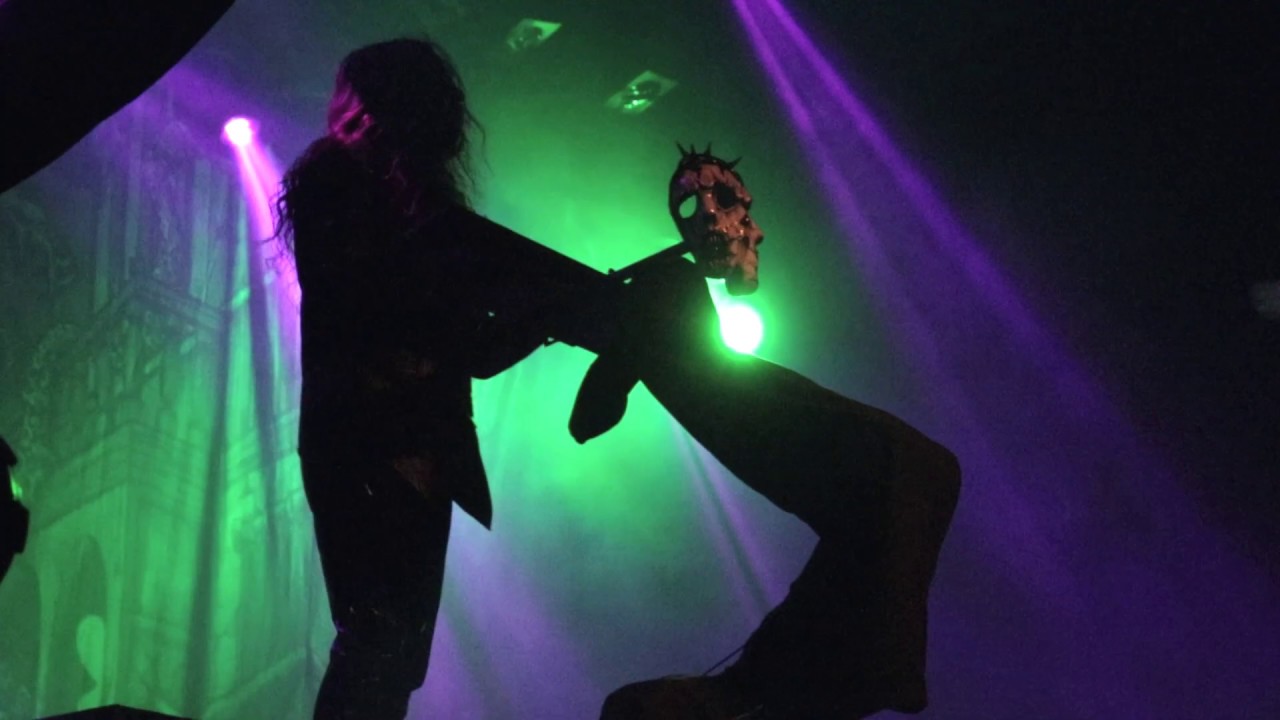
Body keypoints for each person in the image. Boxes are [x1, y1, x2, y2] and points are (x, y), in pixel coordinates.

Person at [275, 37, 612, 720]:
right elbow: (372, 312)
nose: (340, 108)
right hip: (367, 445)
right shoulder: (335, 185)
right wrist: (544, 300)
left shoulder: (420, 210)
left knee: (395, 656)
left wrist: (544, 313)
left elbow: (473, 353)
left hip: (419, 452)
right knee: (377, 640)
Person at [576, 148, 962, 719]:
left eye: (732, 204)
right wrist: (615, 333)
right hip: (786, 433)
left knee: (897, 491)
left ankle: (885, 659)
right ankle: (889, 659)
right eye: (715, 206)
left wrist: (613, 342)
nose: (741, 227)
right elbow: (589, 420)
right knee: (908, 474)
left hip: (781, 432)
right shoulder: (664, 290)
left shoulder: (665, 297)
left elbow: (591, 419)